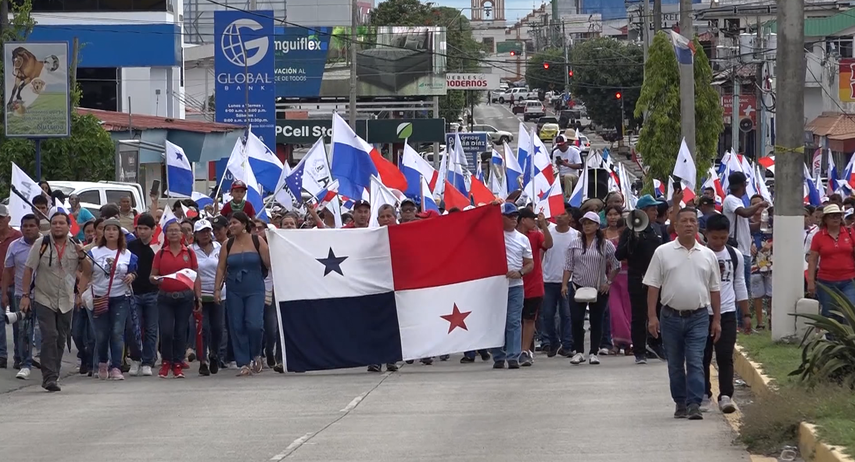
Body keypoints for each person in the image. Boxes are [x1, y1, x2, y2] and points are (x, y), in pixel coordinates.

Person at [644, 208, 722, 420]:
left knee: (695, 360)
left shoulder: (707, 255)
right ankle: (680, 401)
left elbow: (715, 290)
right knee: (676, 363)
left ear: (698, 226)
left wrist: (717, 319)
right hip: (670, 317)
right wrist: (652, 316)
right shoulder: (663, 252)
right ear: (675, 226)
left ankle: (694, 403)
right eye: (684, 221)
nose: (689, 224)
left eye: (692, 221)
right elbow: (653, 287)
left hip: (698, 316)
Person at [20, 212, 90, 392]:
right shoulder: (41, 244)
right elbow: (28, 270)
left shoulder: (75, 245)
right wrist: (25, 295)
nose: (57, 226)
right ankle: (49, 377)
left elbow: (87, 271)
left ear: (68, 226)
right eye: (54, 223)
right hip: (44, 297)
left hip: (66, 298)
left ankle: (54, 373)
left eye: (61, 223)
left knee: (61, 338)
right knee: (49, 335)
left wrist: (79, 293)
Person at [702, 214, 749, 414]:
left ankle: (726, 395)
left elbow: (740, 283)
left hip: (728, 312)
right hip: (703, 313)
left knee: (725, 355)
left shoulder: (734, 255)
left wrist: (746, 314)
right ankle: (704, 393)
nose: (719, 242)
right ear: (706, 235)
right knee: (702, 356)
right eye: (715, 238)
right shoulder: (700, 254)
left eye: (723, 238)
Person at [614, 194, 669, 365]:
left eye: (655, 209)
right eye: (652, 209)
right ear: (643, 212)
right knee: (639, 315)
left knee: (659, 311)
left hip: (658, 279)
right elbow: (619, 254)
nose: (655, 212)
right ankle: (639, 350)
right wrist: (632, 239)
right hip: (638, 277)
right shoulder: (631, 229)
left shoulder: (658, 229)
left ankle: (655, 343)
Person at [214, 212, 270, 376]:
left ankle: (256, 354)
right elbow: (221, 267)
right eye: (230, 224)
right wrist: (217, 289)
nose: (231, 226)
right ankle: (244, 363)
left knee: (254, 324)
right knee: (237, 325)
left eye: (234, 223)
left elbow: (268, 262)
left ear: (244, 224)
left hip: (255, 288)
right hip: (234, 289)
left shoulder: (256, 241)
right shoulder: (227, 244)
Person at [561, 211, 620, 365]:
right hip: (577, 285)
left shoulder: (605, 244)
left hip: (599, 287)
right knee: (576, 319)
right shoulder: (574, 244)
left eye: (590, 223)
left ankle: (594, 352)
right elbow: (568, 266)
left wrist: (608, 282)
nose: (586, 226)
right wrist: (564, 284)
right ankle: (579, 351)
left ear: (596, 225)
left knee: (597, 320)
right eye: (584, 223)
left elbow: (616, 264)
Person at [86, 218, 137, 381]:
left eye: (114, 229)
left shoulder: (127, 254)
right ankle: (102, 362)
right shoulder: (94, 253)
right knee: (101, 334)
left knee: (117, 332)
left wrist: (131, 276)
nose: (111, 232)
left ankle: (116, 366)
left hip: (120, 297)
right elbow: (85, 272)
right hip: (99, 297)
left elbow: (134, 271)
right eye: (107, 229)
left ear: (119, 233)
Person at [151, 220, 202, 378]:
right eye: (170, 230)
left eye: (176, 230)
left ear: (182, 234)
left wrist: (198, 297)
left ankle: (178, 362)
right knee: (166, 331)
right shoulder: (161, 253)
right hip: (165, 297)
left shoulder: (189, 253)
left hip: (184, 298)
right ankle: (167, 361)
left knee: (181, 331)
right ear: (166, 234)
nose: (173, 233)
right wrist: (156, 279)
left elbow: (195, 276)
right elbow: (152, 275)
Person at [493, 203, 533, 370]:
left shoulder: (523, 239)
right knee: (496, 321)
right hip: (494, 287)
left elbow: (530, 264)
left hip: (515, 286)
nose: (513, 218)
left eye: (515, 215)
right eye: (509, 216)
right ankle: (498, 356)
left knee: (513, 321)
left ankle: (513, 356)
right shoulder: (493, 235)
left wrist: (520, 272)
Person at [2, 214, 40, 378]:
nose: (28, 229)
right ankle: (24, 362)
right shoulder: (14, 246)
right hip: (21, 295)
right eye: (25, 226)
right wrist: (4, 293)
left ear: (38, 227)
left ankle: (47, 362)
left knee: (44, 331)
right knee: (23, 330)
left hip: (45, 295)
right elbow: (8, 270)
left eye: (32, 225)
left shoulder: (46, 244)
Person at [367, 204, 403, 372]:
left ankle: (391, 359)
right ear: (378, 220)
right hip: (377, 286)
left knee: (394, 325)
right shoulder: (370, 238)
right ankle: (375, 359)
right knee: (376, 324)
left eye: (389, 215)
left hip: (398, 285)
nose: (386, 219)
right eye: (383, 216)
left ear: (395, 217)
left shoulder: (405, 235)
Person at [538, 204, 578, 357]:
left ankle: (567, 344)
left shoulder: (576, 235)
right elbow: (542, 252)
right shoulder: (548, 232)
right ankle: (554, 342)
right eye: (557, 213)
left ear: (570, 217)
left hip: (568, 281)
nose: (559, 216)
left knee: (566, 314)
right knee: (547, 314)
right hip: (549, 280)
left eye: (563, 214)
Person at [723, 172, 769, 300]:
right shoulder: (731, 199)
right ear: (743, 185)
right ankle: (739, 318)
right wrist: (759, 204)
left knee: (744, 290)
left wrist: (762, 222)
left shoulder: (738, 201)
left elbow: (746, 226)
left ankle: (742, 317)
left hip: (744, 251)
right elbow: (743, 213)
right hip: (737, 250)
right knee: (739, 290)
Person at [515, 208, 552, 366]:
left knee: (529, 319)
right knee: (515, 320)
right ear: (523, 220)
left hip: (534, 284)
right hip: (514, 284)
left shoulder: (536, 235)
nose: (534, 221)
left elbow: (548, 244)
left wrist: (544, 226)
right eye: (532, 219)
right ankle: (515, 349)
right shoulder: (511, 236)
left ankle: (524, 351)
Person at [807, 203, 855, 321]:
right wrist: (811, 282)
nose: (836, 218)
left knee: (850, 313)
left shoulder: (850, 233)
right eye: (832, 216)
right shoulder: (818, 236)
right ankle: (832, 339)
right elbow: (813, 259)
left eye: (838, 216)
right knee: (829, 314)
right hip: (826, 281)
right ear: (825, 219)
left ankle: (848, 339)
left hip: (849, 280)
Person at [126, 213, 160, 377]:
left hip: (153, 293)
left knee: (152, 329)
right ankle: (135, 359)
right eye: (140, 228)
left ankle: (147, 361)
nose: (142, 232)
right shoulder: (132, 246)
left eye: (146, 228)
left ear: (153, 229)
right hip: (135, 293)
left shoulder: (157, 247)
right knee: (135, 328)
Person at [192, 219, 225, 376]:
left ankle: (214, 354)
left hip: (219, 294)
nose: (205, 234)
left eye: (207, 231)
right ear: (195, 234)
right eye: (201, 232)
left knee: (218, 328)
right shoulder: (191, 250)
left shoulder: (220, 247)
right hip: (199, 296)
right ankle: (202, 360)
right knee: (203, 328)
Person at [604, 205, 631, 353]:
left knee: (629, 311)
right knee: (615, 311)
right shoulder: (607, 239)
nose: (613, 217)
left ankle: (629, 344)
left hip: (629, 279)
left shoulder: (633, 240)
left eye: (616, 214)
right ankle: (617, 342)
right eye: (610, 214)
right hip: (613, 279)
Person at [0, 204, 23, 369]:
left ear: (8, 219)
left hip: (16, 284)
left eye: (1, 218)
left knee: (18, 322)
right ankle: (1, 355)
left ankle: (20, 356)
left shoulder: (17, 236)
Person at [749, 195, 773, 330]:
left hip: (771, 259)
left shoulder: (771, 221)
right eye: (754, 204)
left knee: (771, 293)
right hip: (755, 260)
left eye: (759, 203)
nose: (757, 206)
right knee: (757, 293)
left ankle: (772, 320)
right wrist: (748, 245)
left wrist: (771, 244)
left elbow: (780, 235)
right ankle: (760, 323)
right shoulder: (747, 222)